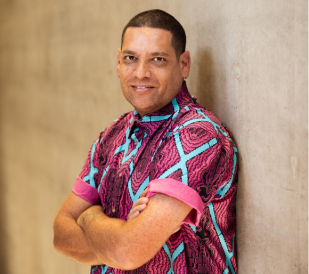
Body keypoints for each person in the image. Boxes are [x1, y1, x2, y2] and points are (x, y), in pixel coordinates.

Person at [53, 9, 238, 274]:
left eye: (158, 60)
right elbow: (61, 234)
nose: (141, 73)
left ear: (184, 64)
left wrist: (89, 217)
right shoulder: (111, 135)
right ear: (118, 63)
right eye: (131, 58)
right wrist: (118, 232)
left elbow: (127, 252)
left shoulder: (198, 136)